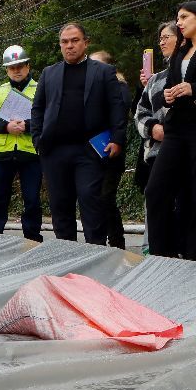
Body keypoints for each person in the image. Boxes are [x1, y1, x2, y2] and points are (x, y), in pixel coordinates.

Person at [31, 23, 128, 245]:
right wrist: (37, 139)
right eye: (64, 42)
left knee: (90, 200)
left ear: (86, 42)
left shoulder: (103, 72)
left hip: (89, 150)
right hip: (54, 151)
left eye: (75, 40)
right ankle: (66, 255)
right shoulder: (49, 73)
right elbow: (37, 108)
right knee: (60, 206)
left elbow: (116, 107)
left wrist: (117, 139)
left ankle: (95, 253)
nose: (70, 46)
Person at [148, 3, 196, 261]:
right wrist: (168, 95)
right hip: (176, 127)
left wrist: (194, 89)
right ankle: (161, 253)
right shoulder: (181, 51)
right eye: (177, 17)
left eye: (184, 17)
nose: (179, 22)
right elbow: (170, 85)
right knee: (156, 189)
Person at [0, 44, 43, 242]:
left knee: (32, 200)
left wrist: (26, 125)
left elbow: (46, 117)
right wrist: (7, 127)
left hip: (30, 153)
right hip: (3, 153)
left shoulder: (40, 88)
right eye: (12, 67)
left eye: (20, 66)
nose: (16, 71)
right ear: (7, 70)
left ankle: (32, 237)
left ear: (28, 66)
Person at [135, 22, 178, 254]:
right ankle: (153, 249)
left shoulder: (192, 73)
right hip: (155, 153)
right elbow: (140, 112)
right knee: (155, 200)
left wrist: (170, 129)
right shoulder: (154, 79)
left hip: (182, 149)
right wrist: (152, 128)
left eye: (167, 37)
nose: (161, 42)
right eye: (160, 38)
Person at [89, 49, 131, 249]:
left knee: (106, 197)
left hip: (110, 151)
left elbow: (120, 115)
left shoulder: (118, 86)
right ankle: (102, 240)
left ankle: (116, 242)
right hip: (92, 152)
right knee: (96, 198)